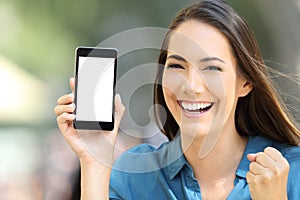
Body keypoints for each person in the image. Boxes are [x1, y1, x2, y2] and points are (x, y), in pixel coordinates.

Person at [54, 0, 300, 199]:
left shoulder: (291, 173)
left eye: (211, 68)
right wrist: (94, 160)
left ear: (245, 82)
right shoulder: (136, 177)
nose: (191, 86)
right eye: (177, 66)